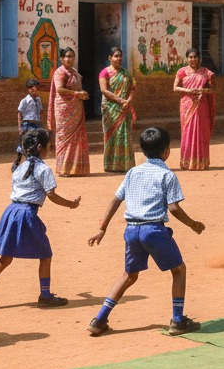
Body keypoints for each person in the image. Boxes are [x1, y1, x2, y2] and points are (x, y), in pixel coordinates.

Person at [86, 126, 205, 337]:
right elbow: (174, 208)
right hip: (154, 231)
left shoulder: (133, 172)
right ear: (166, 151)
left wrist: (101, 228)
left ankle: (100, 319)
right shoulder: (167, 175)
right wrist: (193, 224)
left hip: (132, 230)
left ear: (142, 150)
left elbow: (116, 199)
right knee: (178, 270)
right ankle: (178, 320)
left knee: (128, 275)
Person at [0, 127, 81, 309]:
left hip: (11, 212)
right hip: (26, 214)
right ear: (40, 147)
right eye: (49, 145)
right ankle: (45, 294)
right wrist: (71, 204)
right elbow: (52, 195)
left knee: (5, 257)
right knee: (46, 255)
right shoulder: (42, 169)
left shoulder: (20, 166)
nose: (50, 148)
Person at [47, 47, 90, 176]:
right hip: (64, 109)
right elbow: (60, 89)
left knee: (77, 138)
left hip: (76, 107)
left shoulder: (74, 72)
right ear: (61, 59)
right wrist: (77, 93)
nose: (69, 59)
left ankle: (76, 168)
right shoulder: (60, 72)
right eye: (66, 56)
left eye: (71, 56)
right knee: (64, 138)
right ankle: (64, 168)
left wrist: (82, 95)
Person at [174, 47, 215, 170]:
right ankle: (187, 162)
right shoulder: (182, 71)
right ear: (187, 58)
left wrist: (202, 90)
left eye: (195, 57)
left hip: (202, 106)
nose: (192, 59)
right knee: (187, 132)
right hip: (187, 105)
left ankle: (201, 162)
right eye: (190, 57)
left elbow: (213, 89)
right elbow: (175, 88)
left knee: (202, 132)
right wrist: (188, 90)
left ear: (199, 58)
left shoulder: (206, 72)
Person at [99, 47, 137, 173]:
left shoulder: (126, 73)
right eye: (115, 56)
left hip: (124, 108)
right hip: (110, 109)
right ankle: (111, 165)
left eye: (120, 56)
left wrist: (129, 101)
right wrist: (121, 101)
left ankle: (125, 164)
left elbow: (133, 88)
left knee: (125, 135)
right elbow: (104, 90)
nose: (118, 58)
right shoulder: (104, 73)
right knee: (111, 135)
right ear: (110, 58)